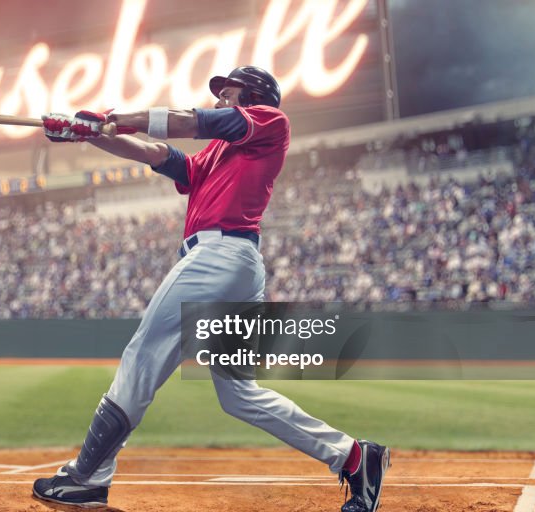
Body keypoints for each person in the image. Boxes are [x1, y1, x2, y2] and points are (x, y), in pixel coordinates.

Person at [33, 66, 390, 511]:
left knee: (143, 357)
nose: (221, 98)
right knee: (239, 395)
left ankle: (87, 476)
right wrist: (89, 135)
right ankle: (355, 457)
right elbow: (156, 153)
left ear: (254, 95)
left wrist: (109, 116)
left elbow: (189, 122)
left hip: (218, 258)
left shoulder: (268, 121)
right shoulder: (219, 154)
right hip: (234, 267)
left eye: (229, 91)